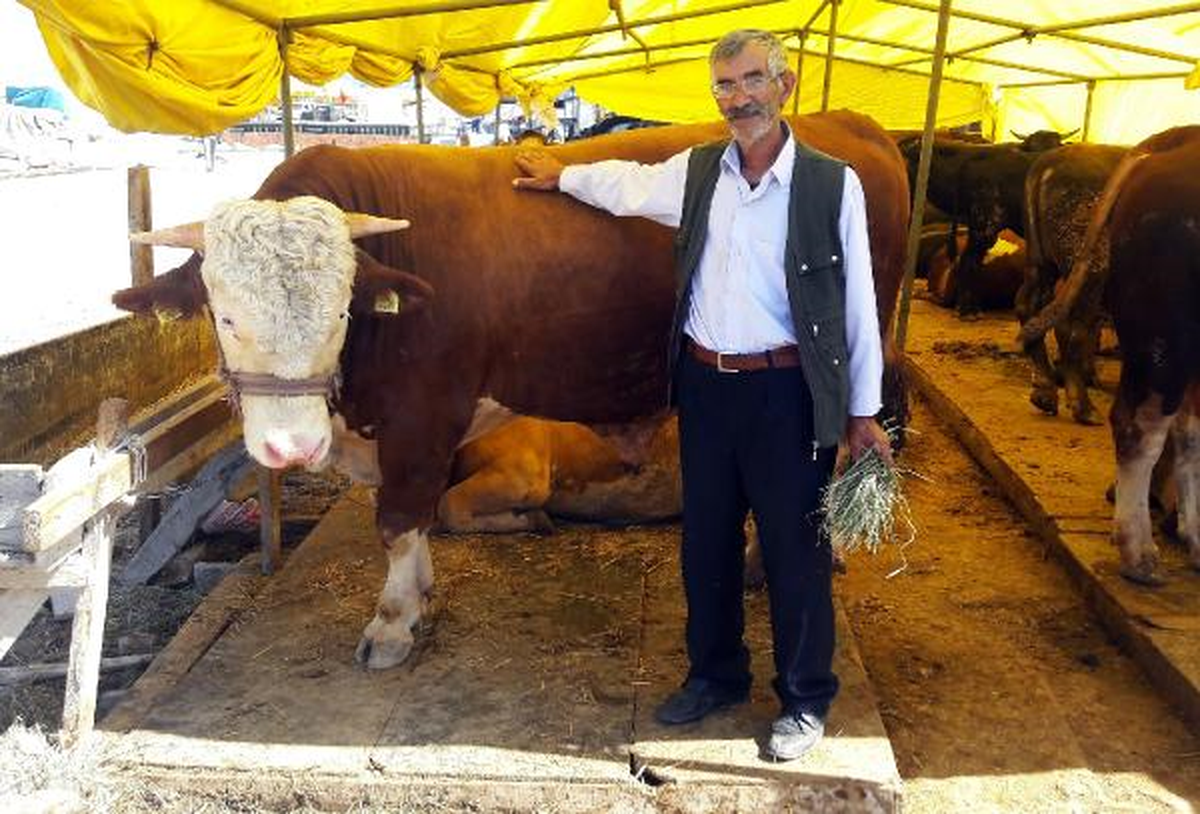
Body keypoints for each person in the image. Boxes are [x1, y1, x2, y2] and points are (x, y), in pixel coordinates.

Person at [513, 28, 891, 762]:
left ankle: (805, 698)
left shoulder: (830, 184)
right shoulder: (697, 172)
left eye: (751, 80)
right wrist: (563, 175)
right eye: (724, 85)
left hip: (787, 391)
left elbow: (859, 307)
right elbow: (626, 183)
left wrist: (863, 412)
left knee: (795, 549)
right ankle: (715, 675)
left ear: (784, 86)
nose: (738, 97)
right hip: (706, 387)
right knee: (705, 542)